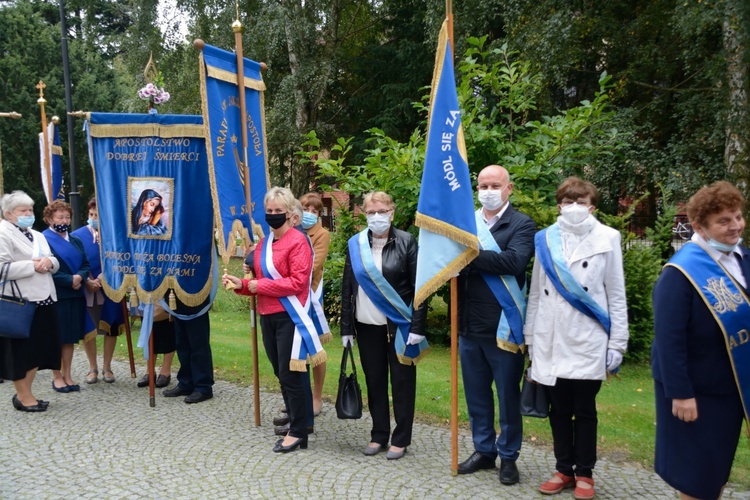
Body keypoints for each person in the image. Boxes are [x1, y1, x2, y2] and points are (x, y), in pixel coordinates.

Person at [525, 177, 628, 499]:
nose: (573, 207)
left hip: (587, 340)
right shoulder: (545, 239)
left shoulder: (608, 238)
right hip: (551, 338)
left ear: (592, 205)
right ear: (559, 205)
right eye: (568, 201)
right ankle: (562, 469)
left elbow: (617, 294)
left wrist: (618, 343)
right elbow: (536, 295)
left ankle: (585, 474)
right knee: (558, 410)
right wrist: (530, 338)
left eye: (580, 201)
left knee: (584, 411)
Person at [652, 181, 750, 500]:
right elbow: (669, 340)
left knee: (717, 470)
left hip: (731, 388)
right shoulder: (679, 274)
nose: (735, 225)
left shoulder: (742, 258)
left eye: (737, 216)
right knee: (695, 478)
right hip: (695, 394)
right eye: (723, 221)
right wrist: (680, 393)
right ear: (699, 227)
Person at [224, 186, 323, 453]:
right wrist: (240, 284)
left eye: (279, 211)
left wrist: (257, 286)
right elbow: (257, 282)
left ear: (291, 214)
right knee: (281, 373)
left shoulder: (298, 241)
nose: (273, 215)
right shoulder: (264, 244)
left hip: (290, 316)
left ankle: (300, 430)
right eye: (269, 211)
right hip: (267, 315)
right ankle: (296, 418)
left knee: (292, 373)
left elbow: (297, 282)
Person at [456, 165, 535, 485]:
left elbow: (514, 261)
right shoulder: (465, 223)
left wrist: (468, 254)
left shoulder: (521, 224)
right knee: (477, 397)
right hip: (469, 326)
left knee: (507, 397)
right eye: (483, 185)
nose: (488, 190)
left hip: (504, 326)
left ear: (508, 188)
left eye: (494, 185)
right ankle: (484, 450)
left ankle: (509, 455)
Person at [340, 191, 428, 461]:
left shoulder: (406, 241)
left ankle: (400, 439)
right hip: (366, 326)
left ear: (392, 212)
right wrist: (346, 327)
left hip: (399, 326)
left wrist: (417, 326)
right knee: (374, 382)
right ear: (364, 214)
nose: (377, 217)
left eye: (382, 211)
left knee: (402, 383)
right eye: (371, 212)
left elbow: (420, 288)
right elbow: (347, 288)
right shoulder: (355, 245)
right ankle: (379, 434)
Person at [0, 191, 61, 412]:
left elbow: (54, 261)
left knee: (38, 349)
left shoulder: (37, 234)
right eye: (23, 211)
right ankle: (24, 397)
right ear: (9, 214)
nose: (28, 214)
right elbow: (1, 268)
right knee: (21, 352)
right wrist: (32, 265)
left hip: (45, 298)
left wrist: (49, 262)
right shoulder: (3, 233)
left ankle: (25, 393)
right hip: (21, 301)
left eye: (30, 210)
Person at [71, 198, 123, 384]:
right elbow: (73, 261)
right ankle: (92, 367)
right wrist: (87, 280)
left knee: (111, 326)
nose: (94, 218)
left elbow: (121, 259)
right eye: (91, 215)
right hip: (87, 287)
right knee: (89, 327)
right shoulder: (76, 236)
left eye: (97, 216)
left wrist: (103, 277)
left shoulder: (115, 235)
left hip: (110, 286)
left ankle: (107, 367)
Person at [43, 200, 90, 393]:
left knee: (69, 338)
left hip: (76, 295)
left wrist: (79, 276)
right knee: (57, 337)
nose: (64, 220)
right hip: (56, 295)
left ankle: (68, 374)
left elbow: (85, 264)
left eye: (67, 217)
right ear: (49, 219)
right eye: (60, 217)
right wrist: (69, 279)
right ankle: (56, 376)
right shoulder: (43, 239)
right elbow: (46, 269)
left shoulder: (76, 240)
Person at [300, 192, 331, 417]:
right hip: (290, 296)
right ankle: (298, 396)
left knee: (315, 348)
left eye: (315, 211)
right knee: (294, 348)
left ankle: (316, 397)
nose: (309, 214)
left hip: (310, 295)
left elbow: (314, 263)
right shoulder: (289, 230)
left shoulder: (321, 234)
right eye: (306, 209)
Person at [161, 295, 214, 403]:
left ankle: (203, 386)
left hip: (196, 297)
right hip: (177, 299)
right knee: (182, 345)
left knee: (198, 345)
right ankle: (186, 382)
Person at [136, 303, 176, 388]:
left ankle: (165, 372)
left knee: (167, 331)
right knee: (149, 330)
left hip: (166, 297)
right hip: (147, 295)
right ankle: (150, 371)